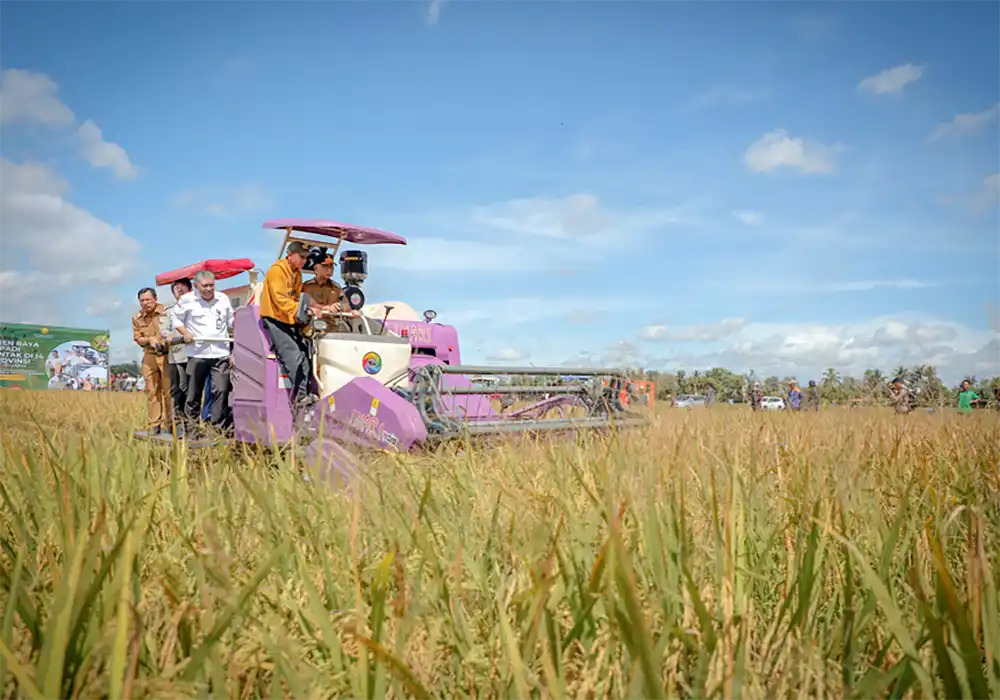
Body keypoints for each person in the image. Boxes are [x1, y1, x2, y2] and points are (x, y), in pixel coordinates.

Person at [258, 242, 335, 410]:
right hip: (275, 319)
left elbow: (298, 299)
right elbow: (280, 300)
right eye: (301, 257)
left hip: (289, 319)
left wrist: (309, 309)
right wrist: (304, 309)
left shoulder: (297, 274)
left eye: (305, 258)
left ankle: (306, 395)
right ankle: (300, 399)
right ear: (290, 255)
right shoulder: (276, 271)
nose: (303, 261)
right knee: (293, 356)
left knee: (306, 356)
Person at [172, 270, 235, 434]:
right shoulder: (187, 300)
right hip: (197, 353)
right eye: (205, 286)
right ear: (196, 286)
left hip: (220, 352)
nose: (208, 289)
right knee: (194, 393)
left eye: (211, 285)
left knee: (220, 390)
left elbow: (231, 320)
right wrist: (185, 333)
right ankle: (191, 429)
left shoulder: (222, 298)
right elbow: (176, 319)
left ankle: (216, 429)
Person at [132, 287, 171, 434]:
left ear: (155, 299)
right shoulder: (137, 318)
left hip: (167, 354)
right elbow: (138, 338)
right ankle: (154, 425)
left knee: (169, 390)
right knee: (152, 390)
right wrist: (150, 339)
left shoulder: (166, 312)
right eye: (142, 300)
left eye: (148, 299)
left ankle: (171, 423)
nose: (145, 303)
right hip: (149, 354)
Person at [165, 278, 192, 431]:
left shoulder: (198, 309)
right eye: (176, 290)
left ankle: (190, 424)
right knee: (177, 390)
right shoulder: (170, 311)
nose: (179, 292)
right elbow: (165, 332)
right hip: (176, 355)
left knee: (190, 390)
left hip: (195, 355)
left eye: (182, 289)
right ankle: (178, 424)